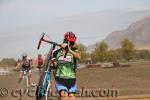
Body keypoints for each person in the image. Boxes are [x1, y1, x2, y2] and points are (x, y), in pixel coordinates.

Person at [52, 32, 81, 100]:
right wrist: (53, 63)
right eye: (69, 42)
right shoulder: (57, 52)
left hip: (72, 80)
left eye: (72, 43)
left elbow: (79, 57)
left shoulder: (74, 50)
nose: (71, 44)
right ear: (65, 41)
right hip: (60, 80)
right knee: (64, 98)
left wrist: (69, 49)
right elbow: (54, 66)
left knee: (72, 98)